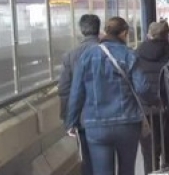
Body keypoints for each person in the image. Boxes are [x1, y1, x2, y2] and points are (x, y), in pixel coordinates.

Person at [66, 17, 154, 175]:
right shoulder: (129, 54)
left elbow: (76, 92)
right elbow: (142, 87)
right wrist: (155, 101)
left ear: (105, 32)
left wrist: (71, 121)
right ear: (124, 33)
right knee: (127, 170)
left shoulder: (86, 56)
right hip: (127, 123)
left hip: (96, 125)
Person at [58, 14, 101, 175]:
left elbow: (64, 89)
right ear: (98, 29)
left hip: (83, 118)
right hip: (106, 115)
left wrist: (68, 119)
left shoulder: (70, 55)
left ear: (81, 31)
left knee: (87, 159)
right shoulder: (107, 50)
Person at [135, 21, 169, 173]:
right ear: (167, 35)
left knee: (150, 152)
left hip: (147, 109)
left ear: (149, 34)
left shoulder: (137, 54)